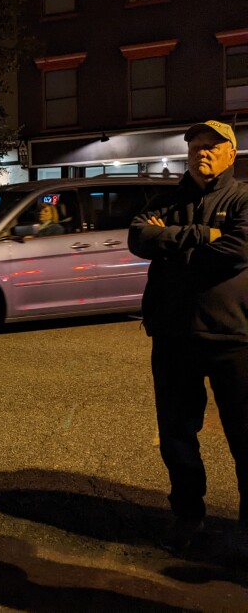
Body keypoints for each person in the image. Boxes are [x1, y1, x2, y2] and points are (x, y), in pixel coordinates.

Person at [128, 120, 248, 554]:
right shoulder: (168, 199)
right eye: (196, 146)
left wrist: (173, 246)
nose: (203, 152)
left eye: (213, 146)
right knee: (177, 433)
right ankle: (187, 513)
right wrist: (203, 235)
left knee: (244, 435)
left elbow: (239, 250)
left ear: (231, 154)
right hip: (174, 337)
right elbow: (139, 237)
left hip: (233, 337)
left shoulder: (243, 198)